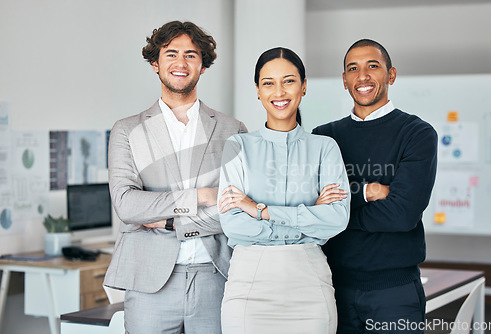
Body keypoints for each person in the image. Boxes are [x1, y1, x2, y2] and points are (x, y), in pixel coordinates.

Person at [103, 21, 247, 334]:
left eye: (191, 55)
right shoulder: (127, 131)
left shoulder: (232, 129)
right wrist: (202, 196)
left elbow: (236, 208)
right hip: (149, 281)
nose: (180, 63)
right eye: (171, 54)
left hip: (216, 275)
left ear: (202, 66)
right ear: (155, 63)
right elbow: (127, 205)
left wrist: (169, 221)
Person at [217, 47, 350, 334]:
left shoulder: (325, 147)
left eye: (289, 81)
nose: (279, 91)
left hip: (310, 286)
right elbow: (234, 226)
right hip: (249, 288)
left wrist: (260, 210)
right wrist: (310, 217)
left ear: (303, 86)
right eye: (268, 83)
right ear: (257, 90)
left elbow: (337, 219)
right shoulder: (237, 147)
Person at [312, 39, 438, 333]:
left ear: (390, 75)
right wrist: (368, 191)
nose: (362, 76)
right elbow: (310, 204)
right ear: (344, 81)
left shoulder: (417, 134)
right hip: (332, 288)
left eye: (373, 66)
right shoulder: (324, 138)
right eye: (353, 69)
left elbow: (402, 214)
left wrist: (338, 211)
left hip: (394, 293)